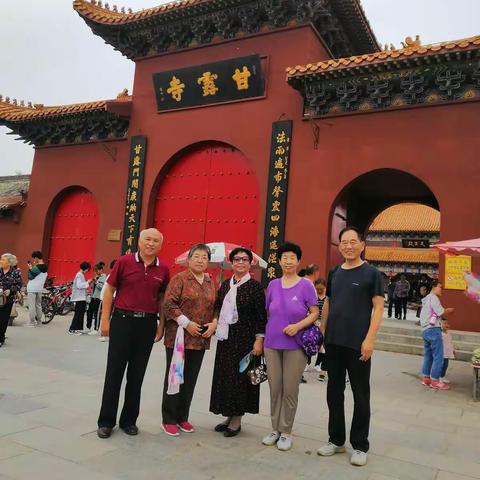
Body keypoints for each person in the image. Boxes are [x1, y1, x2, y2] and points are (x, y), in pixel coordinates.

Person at [318, 227, 384, 467]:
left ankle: (360, 444)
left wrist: (370, 340)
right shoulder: (335, 272)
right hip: (333, 342)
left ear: (362, 245)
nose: (348, 246)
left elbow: (378, 308)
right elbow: (329, 303)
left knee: (360, 394)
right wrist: (322, 332)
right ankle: (336, 440)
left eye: (353, 242)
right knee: (333, 392)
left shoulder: (372, 274)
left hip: (358, 344)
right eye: (344, 242)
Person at [97, 229, 169, 439]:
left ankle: (129, 420)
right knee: (114, 373)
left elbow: (162, 298)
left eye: (156, 241)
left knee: (136, 376)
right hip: (122, 321)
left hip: (146, 324)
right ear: (139, 241)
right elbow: (109, 290)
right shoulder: (124, 262)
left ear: (160, 245)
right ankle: (106, 421)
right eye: (147, 239)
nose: (151, 243)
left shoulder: (163, 269)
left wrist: (161, 324)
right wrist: (105, 320)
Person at [262, 242, 319, 452]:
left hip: (295, 345)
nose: (288, 261)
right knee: (274, 387)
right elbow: (268, 312)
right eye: (284, 257)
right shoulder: (274, 285)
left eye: (292, 257)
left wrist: (297, 326)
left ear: (298, 261)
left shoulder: (306, 285)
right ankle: (275, 429)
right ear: (279, 261)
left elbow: (314, 313)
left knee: (290, 389)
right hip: (271, 344)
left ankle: (286, 431)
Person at [210, 247, 267, 437]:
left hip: (246, 341)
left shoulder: (255, 287)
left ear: (250, 264)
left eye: (244, 260)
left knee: (241, 379)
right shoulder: (226, 285)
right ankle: (228, 415)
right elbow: (218, 307)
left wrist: (259, 341)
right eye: (237, 259)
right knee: (226, 377)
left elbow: (261, 317)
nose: (240, 262)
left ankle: (237, 420)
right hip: (226, 340)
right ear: (231, 263)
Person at [161, 243, 216, 437]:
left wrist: (214, 323)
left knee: (190, 379)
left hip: (200, 339)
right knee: (175, 377)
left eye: (204, 257)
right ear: (189, 259)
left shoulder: (210, 282)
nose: (200, 260)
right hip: (179, 338)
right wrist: (186, 323)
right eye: (197, 257)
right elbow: (168, 304)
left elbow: (215, 307)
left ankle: (182, 416)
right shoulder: (180, 279)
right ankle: (168, 418)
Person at [419, 281, 454, 390]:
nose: (441, 289)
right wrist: (447, 310)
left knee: (428, 355)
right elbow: (440, 312)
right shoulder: (433, 297)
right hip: (433, 329)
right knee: (438, 356)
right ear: (434, 287)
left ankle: (426, 378)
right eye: (440, 287)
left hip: (425, 330)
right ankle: (435, 380)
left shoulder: (426, 300)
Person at [0, 253, 23, 347]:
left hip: (7, 300)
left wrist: (11, 290)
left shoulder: (15, 272)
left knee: (3, 319)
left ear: (9, 263)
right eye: (1, 259)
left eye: (3, 260)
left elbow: (19, 285)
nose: (1, 261)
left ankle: (1, 338)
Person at [26, 251, 48, 327]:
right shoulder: (45, 266)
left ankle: (32, 323)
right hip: (39, 288)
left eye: (34, 258)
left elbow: (30, 277)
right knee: (38, 305)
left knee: (32, 306)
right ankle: (39, 322)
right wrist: (33, 269)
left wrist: (30, 269)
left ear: (36, 258)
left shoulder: (37, 267)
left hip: (32, 288)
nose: (33, 260)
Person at [68, 261, 91, 334]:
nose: (87, 271)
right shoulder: (79, 275)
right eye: (88, 269)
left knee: (80, 314)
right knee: (78, 314)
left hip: (81, 297)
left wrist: (87, 282)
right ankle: (72, 329)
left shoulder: (81, 274)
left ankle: (77, 329)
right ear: (86, 268)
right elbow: (79, 285)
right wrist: (88, 282)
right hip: (79, 298)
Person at [98, 259, 116, 342]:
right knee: (106, 315)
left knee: (109, 316)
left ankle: (107, 333)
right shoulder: (111, 275)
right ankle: (104, 334)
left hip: (112, 299)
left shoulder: (113, 275)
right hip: (109, 298)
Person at [86, 262, 106, 334]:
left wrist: (96, 282)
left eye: (97, 270)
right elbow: (92, 288)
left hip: (98, 298)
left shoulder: (104, 277)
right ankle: (88, 327)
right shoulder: (96, 277)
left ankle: (96, 329)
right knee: (89, 312)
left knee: (97, 314)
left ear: (101, 270)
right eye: (95, 271)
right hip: (93, 297)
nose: (96, 272)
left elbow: (102, 287)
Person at [314, 278, 328, 382]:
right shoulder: (313, 295)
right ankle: (310, 362)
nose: (319, 290)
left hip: (325, 323)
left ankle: (322, 368)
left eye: (321, 289)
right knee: (312, 344)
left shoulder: (328, 296)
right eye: (317, 288)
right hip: (314, 322)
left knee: (324, 347)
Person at [440, 319, 455, 384]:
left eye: (447, 323)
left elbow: (450, 342)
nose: (446, 325)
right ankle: (439, 377)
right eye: (444, 323)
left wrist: (453, 349)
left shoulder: (449, 332)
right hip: (441, 352)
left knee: (446, 365)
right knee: (441, 365)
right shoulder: (440, 334)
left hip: (447, 352)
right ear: (440, 325)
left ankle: (442, 377)